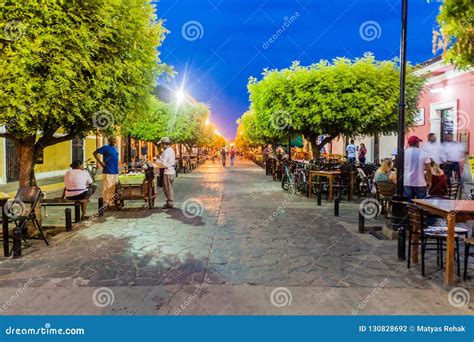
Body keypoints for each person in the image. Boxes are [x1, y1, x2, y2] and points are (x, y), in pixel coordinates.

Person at [403, 136, 432, 202]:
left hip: (407, 182)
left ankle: (409, 212)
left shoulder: (404, 153)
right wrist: (429, 181)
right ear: (417, 143)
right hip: (420, 183)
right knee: (422, 205)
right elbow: (429, 169)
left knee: (408, 204)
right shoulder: (424, 153)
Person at [93, 137, 119, 207]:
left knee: (114, 187)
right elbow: (95, 153)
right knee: (107, 187)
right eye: (112, 140)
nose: (113, 141)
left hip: (115, 171)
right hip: (108, 170)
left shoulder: (115, 148)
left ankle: (112, 202)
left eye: (114, 140)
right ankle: (106, 202)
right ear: (109, 141)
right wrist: (100, 162)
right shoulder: (105, 147)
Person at [157, 137, 176, 209]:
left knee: (167, 188)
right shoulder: (171, 150)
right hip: (172, 171)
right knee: (170, 187)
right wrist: (160, 157)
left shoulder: (166, 151)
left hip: (168, 171)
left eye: (161, 144)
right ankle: (169, 201)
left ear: (164, 143)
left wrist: (157, 160)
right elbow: (167, 160)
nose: (161, 145)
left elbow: (164, 164)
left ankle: (170, 202)